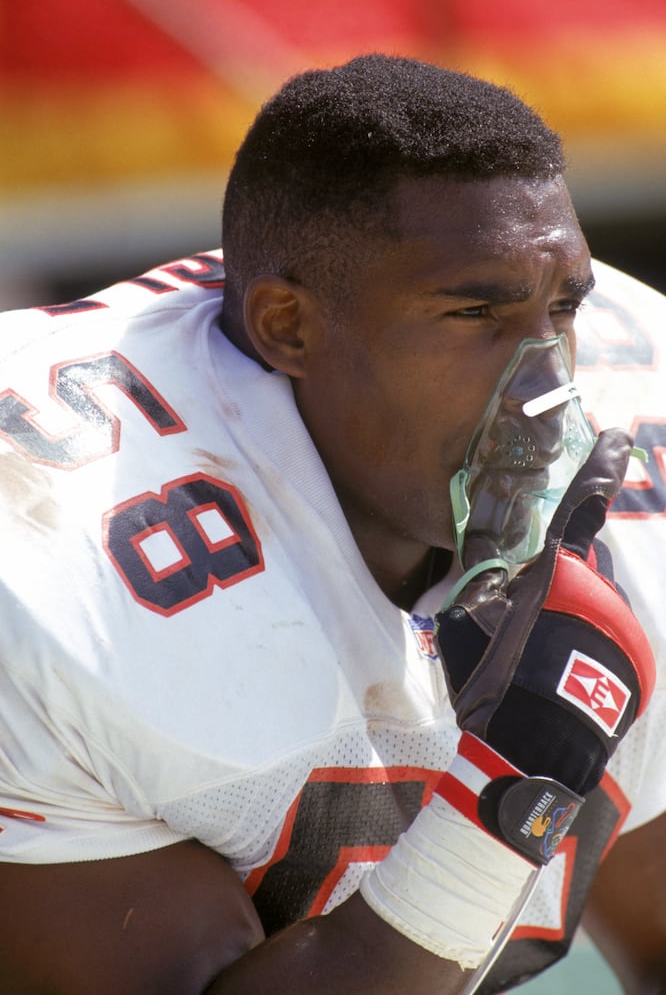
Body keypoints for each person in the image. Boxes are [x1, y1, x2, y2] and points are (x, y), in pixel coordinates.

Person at [0, 53, 664, 995]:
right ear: (288, 326)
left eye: (563, 308)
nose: (550, 386)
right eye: (476, 312)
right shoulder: (48, 564)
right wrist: (509, 797)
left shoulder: (639, 430)